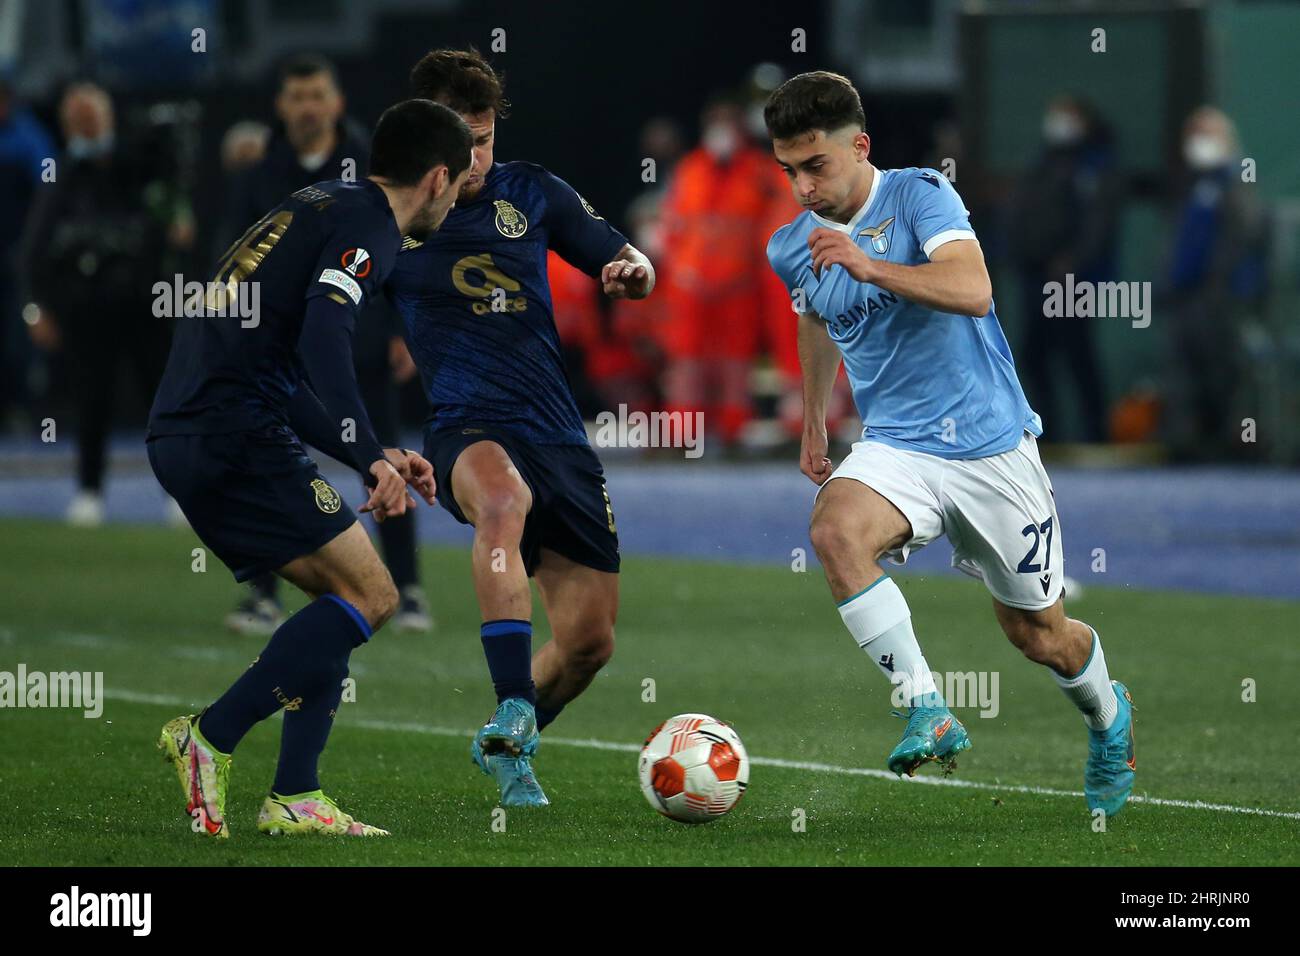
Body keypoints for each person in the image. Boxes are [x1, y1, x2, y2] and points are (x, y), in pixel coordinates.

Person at [763, 72, 1135, 816]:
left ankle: (1109, 717)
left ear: (858, 147)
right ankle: (925, 705)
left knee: (1038, 634)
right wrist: (812, 418)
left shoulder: (919, 194)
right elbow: (814, 314)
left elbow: (973, 290)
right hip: (898, 446)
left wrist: (872, 265)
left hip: (991, 449)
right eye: (789, 171)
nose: (803, 187)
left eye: (816, 166)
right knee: (835, 531)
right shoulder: (791, 246)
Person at [149, 99, 472, 838]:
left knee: (343, 600)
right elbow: (328, 334)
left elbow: (285, 373)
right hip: (233, 434)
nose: (454, 203)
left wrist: (377, 454)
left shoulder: (321, 202)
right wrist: (367, 454)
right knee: (373, 593)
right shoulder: (370, 230)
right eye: (456, 188)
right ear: (435, 177)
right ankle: (213, 736)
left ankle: (296, 795)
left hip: (193, 429)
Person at [388, 48, 655, 806]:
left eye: (485, 137)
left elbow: (627, 258)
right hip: (468, 427)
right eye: (460, 140)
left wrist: (634, 273)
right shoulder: (390, 221)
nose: (475, 156)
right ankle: (510, 701)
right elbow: (328, 315)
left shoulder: (531, 193)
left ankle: (507, 741)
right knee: (501, 504)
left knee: (589, 645)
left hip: (559, 437)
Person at [220, 54, 434, 636]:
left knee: (381, 452)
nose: (309, 106)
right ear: (281, 106)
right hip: (278, 346)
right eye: (297, 96)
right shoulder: (259, 170)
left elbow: (404, 248)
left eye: (318, 94)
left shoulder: (374, 161)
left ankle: (408, 587)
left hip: (358, 337)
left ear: (336, 102)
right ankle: (263, 593)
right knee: (271, 462)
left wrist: (404, 328)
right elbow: (232, 257)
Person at [20, 82, 186, 526]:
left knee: (164, 400)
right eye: (76, 119)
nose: (86, 126)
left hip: (146, 300)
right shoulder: (60, 174)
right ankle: (90, 492)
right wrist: (35, 308)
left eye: (91, 117)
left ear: (109, 118)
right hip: (87, 305)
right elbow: (33, 250)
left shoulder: (138, 163)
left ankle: (178, 492)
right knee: (92, 401)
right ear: (65, 126)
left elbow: (174, 206)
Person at [1009, 94, 1120, 443]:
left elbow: (1099, 224)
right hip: (1036, 276)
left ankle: (1096, 433)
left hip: (1074, 280)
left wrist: (1073, 261)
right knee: (1035, 354)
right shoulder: (1044, 163)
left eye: (1069, 116)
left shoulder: (1095, 167)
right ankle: (1050, 433)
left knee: (1078, 354)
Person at [1161, 106, 1267, 461]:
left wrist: (1218, 286)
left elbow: (1243, 235)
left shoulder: (1236, 180)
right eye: (1193, 135)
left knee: (1223, 371)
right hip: (1188, 296)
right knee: (1188, 373)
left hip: (1220, 298)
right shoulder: (1194, 183)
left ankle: (1233, 447)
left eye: (1206, 135)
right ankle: (1193, 446)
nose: (1198, 143)